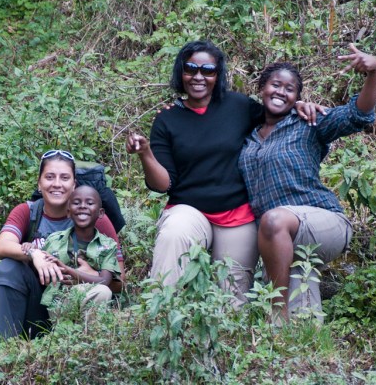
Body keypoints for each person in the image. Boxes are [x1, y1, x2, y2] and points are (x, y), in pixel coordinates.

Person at [125, 40, 321, 306]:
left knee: (232, 299)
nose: (198, 77)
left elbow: (275, 113)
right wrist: (145, 154)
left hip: (236, 213)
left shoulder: (238, 106)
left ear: (218, 76)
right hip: (189, 209)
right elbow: (163, 184)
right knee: (173, 234)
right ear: (180, 72)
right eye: (191, 68)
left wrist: (298, 105)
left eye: (207, 71)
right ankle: (161, 314)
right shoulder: (167, 120)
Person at [238, 43, 376, 322]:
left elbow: (357, 115)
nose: (281, 91)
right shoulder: (247, 136)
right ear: (262, 89)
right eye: (275, 85)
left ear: (297, 98)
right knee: (298, 275)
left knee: (274, 220)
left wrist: (372, 72)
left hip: (325, 223)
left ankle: (277, 316)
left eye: (290, 89)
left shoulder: (308, 123)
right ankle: (304, 340)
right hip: (278, 236)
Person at [0, 150, 124, 339]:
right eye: (50, 177)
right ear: (39, 183)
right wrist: (34, 254)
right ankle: (3, 346)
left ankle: (84, 349)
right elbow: (1, 246)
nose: (57, 184)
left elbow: (120, 282)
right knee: (6, 268)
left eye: (65, 177)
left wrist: (90, 276)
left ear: (74, 183)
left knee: (100, 291)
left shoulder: (94, 218)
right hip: (36, 305)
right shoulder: (27, 212)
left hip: (75, 303)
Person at [39, 185, 121, 315]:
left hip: (94, 295)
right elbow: (39, 270)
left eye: (89, 203)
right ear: (68, 212)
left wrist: (70, 271)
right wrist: (32, 250)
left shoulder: (108, 245)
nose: (83, 206)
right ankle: (65, 331)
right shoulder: (54, 240)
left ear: (100, 213)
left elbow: (105, 281)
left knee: (103, 291)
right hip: (60, 300)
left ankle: (87, 334)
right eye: (76, 203)